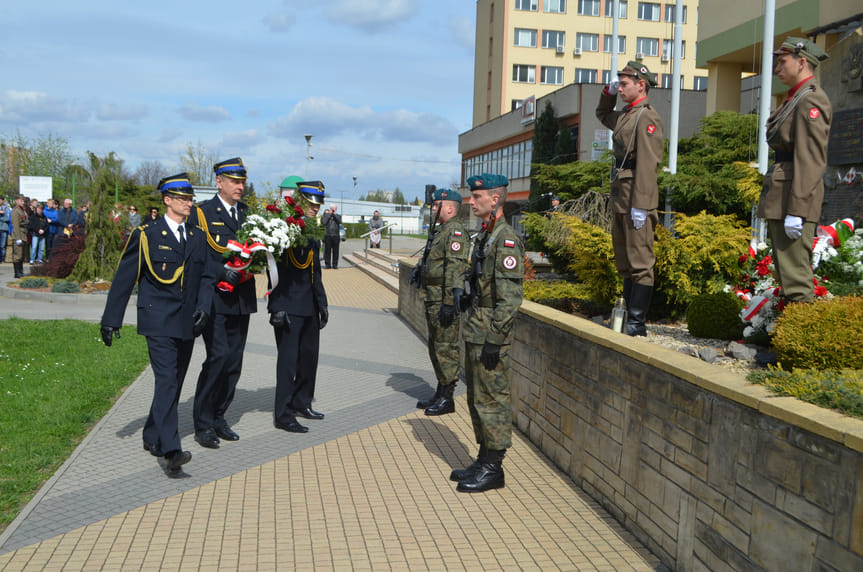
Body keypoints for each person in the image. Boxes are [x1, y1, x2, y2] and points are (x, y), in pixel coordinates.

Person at [100, 173, 215, 476]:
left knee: (174, 383)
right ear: (167, 200)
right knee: (166, 381)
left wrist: (204, 307)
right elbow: (125, 278)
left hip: (187, 322)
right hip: (157, 319)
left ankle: (152, 435)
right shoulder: (147, 233)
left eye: (190, 198)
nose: (189, 203)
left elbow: (205, 277)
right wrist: (111, 319)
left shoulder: (197, 236)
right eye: (183, 199)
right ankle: (171, 450)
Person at [451, 173, 524, 493]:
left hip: (489, 335)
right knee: (477, 399)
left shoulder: (506, 240)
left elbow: (510, 298)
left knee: (492, 400)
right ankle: (483, 459)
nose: (470, 201)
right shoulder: (486, 235)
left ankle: (494, 468)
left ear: (495, 199)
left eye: (477, 197)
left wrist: (496, 338)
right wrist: (463, 291)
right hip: (476, 329)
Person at [187, 157, 256, 449]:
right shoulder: (202, 213)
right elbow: (195, 255)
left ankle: (219, 416)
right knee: (217, 359)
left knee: (233, 363)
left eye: (242, 181)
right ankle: (202, 423)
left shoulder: (247, 213)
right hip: (214, 297)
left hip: (241, 297)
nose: (240, 187)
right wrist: (220, 272)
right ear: (219, 182)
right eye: (235, 181)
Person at [759, 37, 832, 303]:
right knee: (786, 275)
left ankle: (800, 342)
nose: (777, 68)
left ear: (802, 63)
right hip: (783, 195)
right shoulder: (796, 98)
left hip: (793, 199)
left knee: (796, 280)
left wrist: (797, 211)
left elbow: (810, 159)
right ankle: (788, 341)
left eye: (782, 62)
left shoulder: (810, 101)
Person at [596, 61, 664, 336]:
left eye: (624, 84)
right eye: (619, 83)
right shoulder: (627, 114)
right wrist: (608, 92)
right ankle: (626, 318)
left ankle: (637, 324)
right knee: (624, 261)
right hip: (622, 196)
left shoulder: (646, 117)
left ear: (641, 84)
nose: (620, 88)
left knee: (640, 263)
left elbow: (648, 164)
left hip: (637, 197)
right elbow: (602, 113)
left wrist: (641, 206)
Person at [269, 180, 329, 434]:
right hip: (289, 305)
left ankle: (302, 401)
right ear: (301, 201)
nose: (316, 208)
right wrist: (276, 306)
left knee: (308, 359)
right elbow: (273, 270)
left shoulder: (313, 229)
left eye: (318, 204)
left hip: (309, 306)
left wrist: (322, 304)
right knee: (288, 363)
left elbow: (314, 272)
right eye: (312, 203)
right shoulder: (285, 227)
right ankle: (283, 413)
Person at [414, 188, 470, 416]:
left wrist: (449, 302)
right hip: (433, 297)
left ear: (449, 208)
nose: (434, 209)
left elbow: (455, 269)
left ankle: (448, 398)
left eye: (437, 205)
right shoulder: (441, 231)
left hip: (442, 300)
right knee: (436, 346)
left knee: (445, 348)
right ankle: (440, 390)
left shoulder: (454, 232)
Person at [10, 196, 29, 278]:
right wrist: (18, 238)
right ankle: (17, 273)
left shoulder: (23, 210)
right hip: (19, 234)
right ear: (17, 201)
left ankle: (20, 272)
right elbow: (16, 226)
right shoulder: (15, 211)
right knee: (18, 255)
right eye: (21, 201)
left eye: (23, 201)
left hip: (24, 234)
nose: (23, 202)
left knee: (22, 255)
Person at [322, 203, 342, 269]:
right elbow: (324, 222)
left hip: (336, 235)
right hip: (328, 235)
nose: (334, 210)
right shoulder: (326, 215)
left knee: (336, 251)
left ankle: (335, 264)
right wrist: (329, 214)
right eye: (332, 209)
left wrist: (334, 214)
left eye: (335, 209)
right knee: (327, 251)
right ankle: (327, 264)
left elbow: (339, 221)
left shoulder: (338, 216)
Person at [0, 196, 10, 263]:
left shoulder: (7, 209)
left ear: (3, 200)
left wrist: (1, 217)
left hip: (4, 229)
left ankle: (2, 259)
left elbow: (8, 218)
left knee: (2, 246)